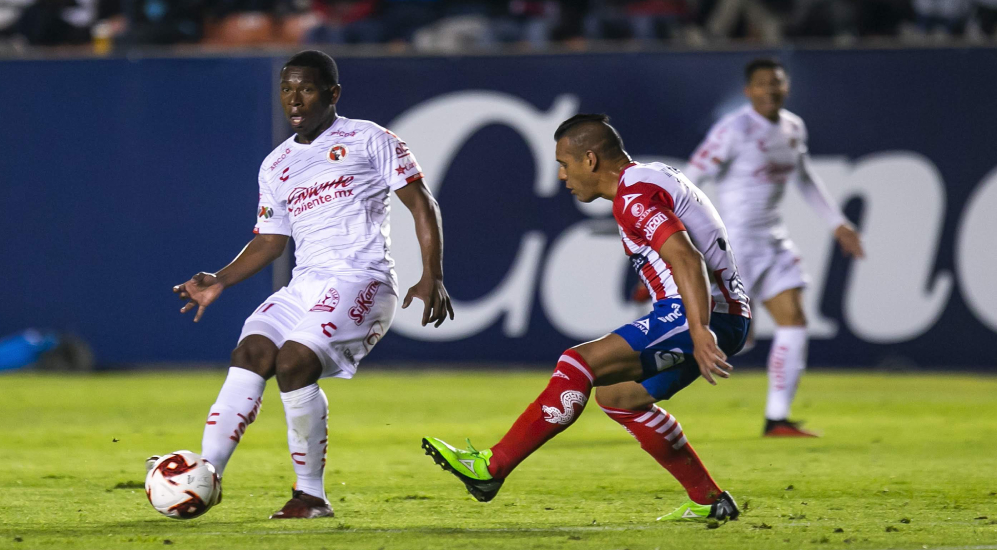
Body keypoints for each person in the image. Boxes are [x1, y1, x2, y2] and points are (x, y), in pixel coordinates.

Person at [160, 50, 454, 520]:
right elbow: (271, 241)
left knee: (294, 362)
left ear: (333, 94)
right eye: (286, 89)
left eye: (307, 89)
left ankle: (311, 495)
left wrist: (432, 274)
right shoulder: (276, 164)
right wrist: (220, 278)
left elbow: (422, 205)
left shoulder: (368, 138)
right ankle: (205, 477)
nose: (294, 99)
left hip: (363, 280)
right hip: (306, 286)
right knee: (252, 354)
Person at [423, 114, 750, 522]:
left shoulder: (633, 196)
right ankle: (709, 500)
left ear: (590, 160)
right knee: (619, 398)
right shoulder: (652, 176)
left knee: (577, 363)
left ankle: (491, 468)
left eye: (564, 163)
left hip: (698, 314)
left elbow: (686, 255)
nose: (562, 175)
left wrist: (698, 330)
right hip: (729, 315)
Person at [684, 58, 864, 437]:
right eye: (762, 84)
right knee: (731, 339)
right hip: (735, 246)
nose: (770, 90)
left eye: (777, 83)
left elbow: (805, 178)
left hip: (773, 241)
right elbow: (691, 179)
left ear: (787, 87)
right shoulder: (733, 129)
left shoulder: (793, 127)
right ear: (749, 91)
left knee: (794, 321)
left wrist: (838, 223)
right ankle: (638, 384)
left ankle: (777, 419)